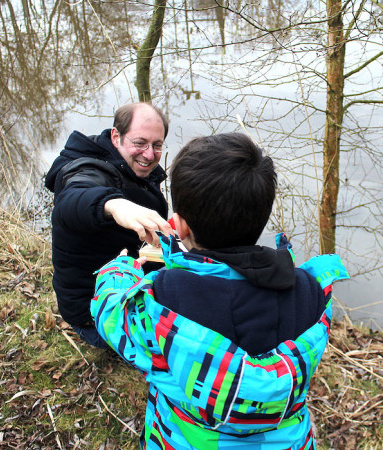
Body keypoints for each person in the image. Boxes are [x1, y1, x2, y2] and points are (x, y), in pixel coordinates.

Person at [91, 132, 350, 449]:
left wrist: (118, 269)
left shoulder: (165, 298)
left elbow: (110, 315)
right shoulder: (310, 291)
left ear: (180, 226)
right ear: (262, 214)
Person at [44, 102, 173, 349]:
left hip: (126, 285)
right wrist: (114, 205)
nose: (149, 154)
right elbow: (73, 198)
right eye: (140, 143)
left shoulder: (132, 166)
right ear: (116, 136)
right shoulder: (88, 168)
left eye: (157, 145)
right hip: (95, 315)